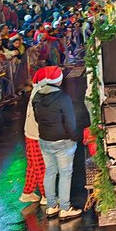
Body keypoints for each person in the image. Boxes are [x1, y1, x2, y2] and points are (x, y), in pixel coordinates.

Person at [31, 66, 81, 219]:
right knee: (65, 173)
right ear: (58, 80)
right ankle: (65, 208)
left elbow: (37, 118)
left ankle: (51, 206)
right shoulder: (62, 98)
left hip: (45, 140)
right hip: (63, 141)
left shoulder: (37, 97)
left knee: (50, 171)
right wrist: (74, 136)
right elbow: (70, 122)